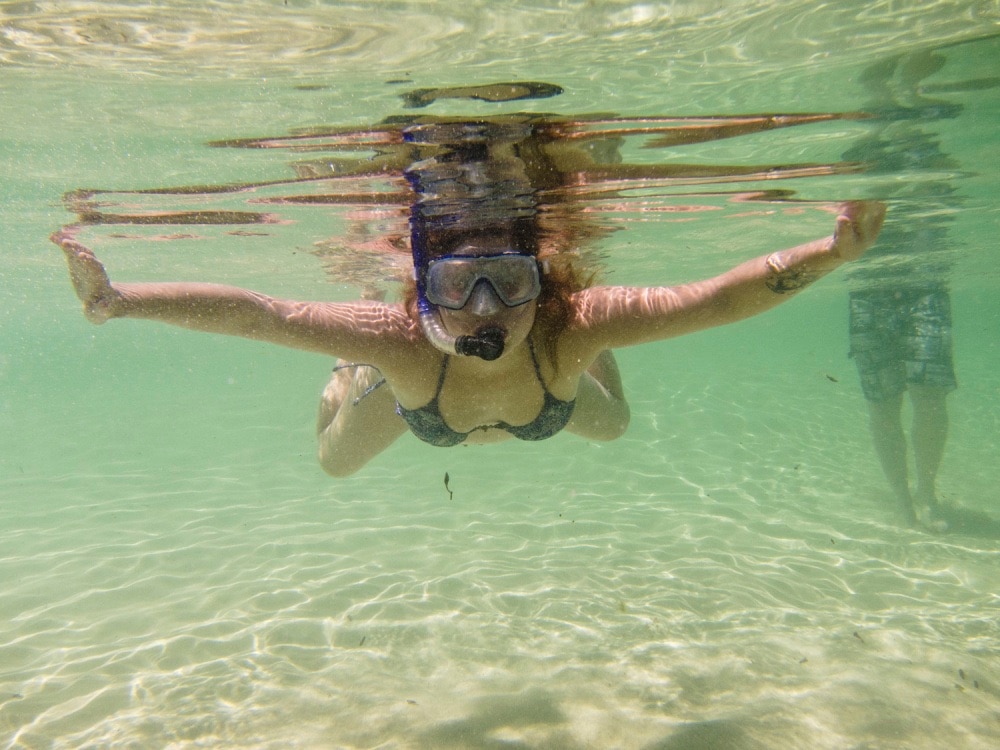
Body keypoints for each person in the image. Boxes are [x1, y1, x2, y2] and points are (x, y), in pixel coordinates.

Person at [53, 198, 884, 476]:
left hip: (551, 396)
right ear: (424, 294)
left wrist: (828, 251)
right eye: (457, 286)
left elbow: (713, 301)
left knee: (619, 423)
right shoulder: (402, 339)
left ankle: (601, 362)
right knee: (332, 464)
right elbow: (263, 313)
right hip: (425, 406)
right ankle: (350, 378)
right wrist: (119, 300)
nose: (487, 308)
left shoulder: (569, 325)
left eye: (511, 282)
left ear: (542, 281)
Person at [844, 52, 959, 530]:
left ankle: (926, 494)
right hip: (873, 288)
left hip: (922, 284)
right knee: (883, 404)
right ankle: (903, 500)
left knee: (930, 396)